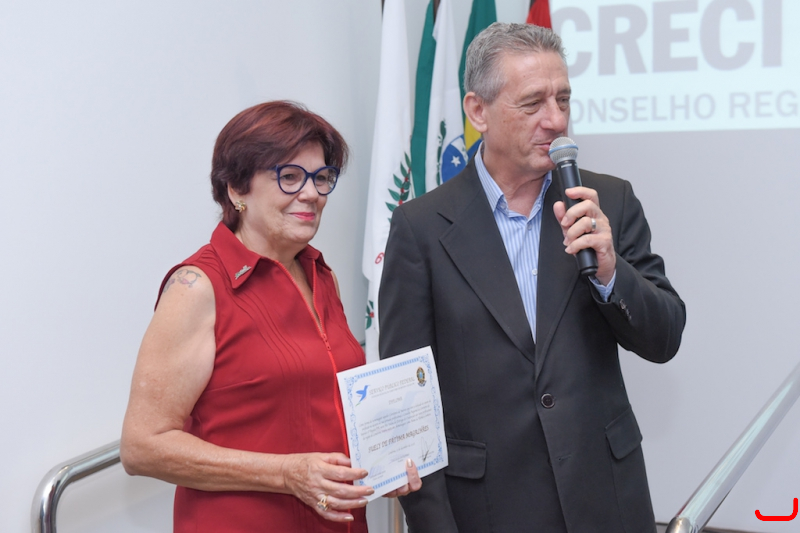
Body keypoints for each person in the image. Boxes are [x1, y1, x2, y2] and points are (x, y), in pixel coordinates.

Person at [378, 23, 686, 533]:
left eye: (563, 99)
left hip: (605, 500)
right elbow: (406, 400)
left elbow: (665, 337)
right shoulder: (421, 227)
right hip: (487, 508)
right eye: (533, 103)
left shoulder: (607, 202)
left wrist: (611, 271)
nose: (556, 120)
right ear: (478, 111)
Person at [120, 101, 420, 533]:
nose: (312, 193)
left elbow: (320, 410)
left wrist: (382, 463)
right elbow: (142, 447)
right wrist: (285, 474)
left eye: (321, 177)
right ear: (236, 190)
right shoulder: (197, 287)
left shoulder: (321, 276)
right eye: (290, 176)